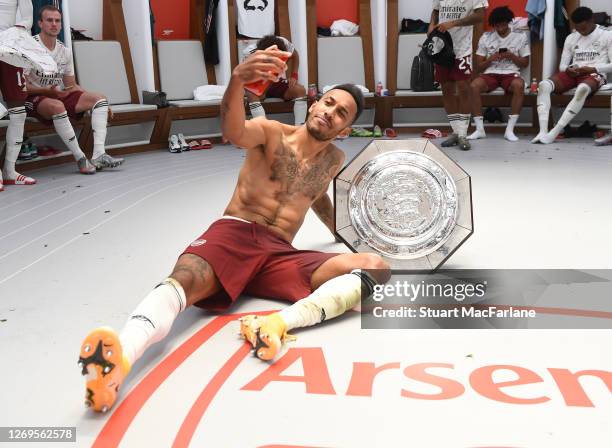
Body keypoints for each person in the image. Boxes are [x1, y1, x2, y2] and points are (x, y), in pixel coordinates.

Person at [78, 46, 390, 413]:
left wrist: (340, 233)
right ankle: (117, 363)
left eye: (341, 113)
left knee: (375, 266)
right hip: (236, 234)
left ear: (345, 128)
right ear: (314, 102)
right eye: (328, 103)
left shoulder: (334, 159)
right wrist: (237, 81)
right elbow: (232, 129)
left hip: (278, 254)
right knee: (185, 280)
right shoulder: (272, 133)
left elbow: (316, 196)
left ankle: (274, 324)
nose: (329, 113)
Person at [24, 5, 123, 172]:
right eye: (49, 20)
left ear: (61, 25)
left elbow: (71, 85)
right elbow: (22, 87)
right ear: (40, 23)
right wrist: (47, 92)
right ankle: (80, 158)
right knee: (57, 106)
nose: (54, 24)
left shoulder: (64, 51)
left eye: (57, 21)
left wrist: (102, 104)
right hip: (32, 99)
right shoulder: (28, 47)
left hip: (55, 95)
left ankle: (99, 155)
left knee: (99, 98)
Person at [532, 6, 612, 144]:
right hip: (574, 74)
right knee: (543, 85)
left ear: (592, 20)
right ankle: (542, 131)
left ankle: (555, 132)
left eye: (584, 29)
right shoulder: (571, 37)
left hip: (594, 74)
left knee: (582, 90)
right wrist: (568, 69)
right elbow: (562, 66)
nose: (581, 32)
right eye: (578, 29)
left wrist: (592, 68)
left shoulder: (607, 34)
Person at [428, 0, 488, 151]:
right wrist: (431, 25)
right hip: (441, 46)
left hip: (462, 48)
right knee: (446, 88)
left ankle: (463, 134)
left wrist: (453, 23)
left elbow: (480, 16)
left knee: (463, 88)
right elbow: (436, 11)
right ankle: (455, 131)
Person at [468, 6, 530, 142]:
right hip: (491, 73)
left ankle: (510, 130)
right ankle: (479, 130)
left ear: (508, 22)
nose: (500, 28)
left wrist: (511, 56)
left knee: (519, 85)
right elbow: (478, 67)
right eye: (497, 25)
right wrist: (491, 59)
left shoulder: (520, 36)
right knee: (474, 86)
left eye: (503, 24)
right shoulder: (486, 37)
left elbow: (525, 63)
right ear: (493, 25)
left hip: (510, 73)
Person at [0, 0, 36, 190]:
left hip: (11, 50)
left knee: (18, 112)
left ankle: (9, 171)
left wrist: (14, 35)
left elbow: (28, 18)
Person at [244, 35, 308, 125]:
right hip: (258, 81)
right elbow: (247, 80)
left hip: (276, 81)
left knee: (300, 90)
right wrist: (261, 91)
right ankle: (264, 128)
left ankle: (299, 128)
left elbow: (295, 55)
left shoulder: (285, 44)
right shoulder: (250, 54)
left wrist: (294, 76)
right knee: (251, 93)